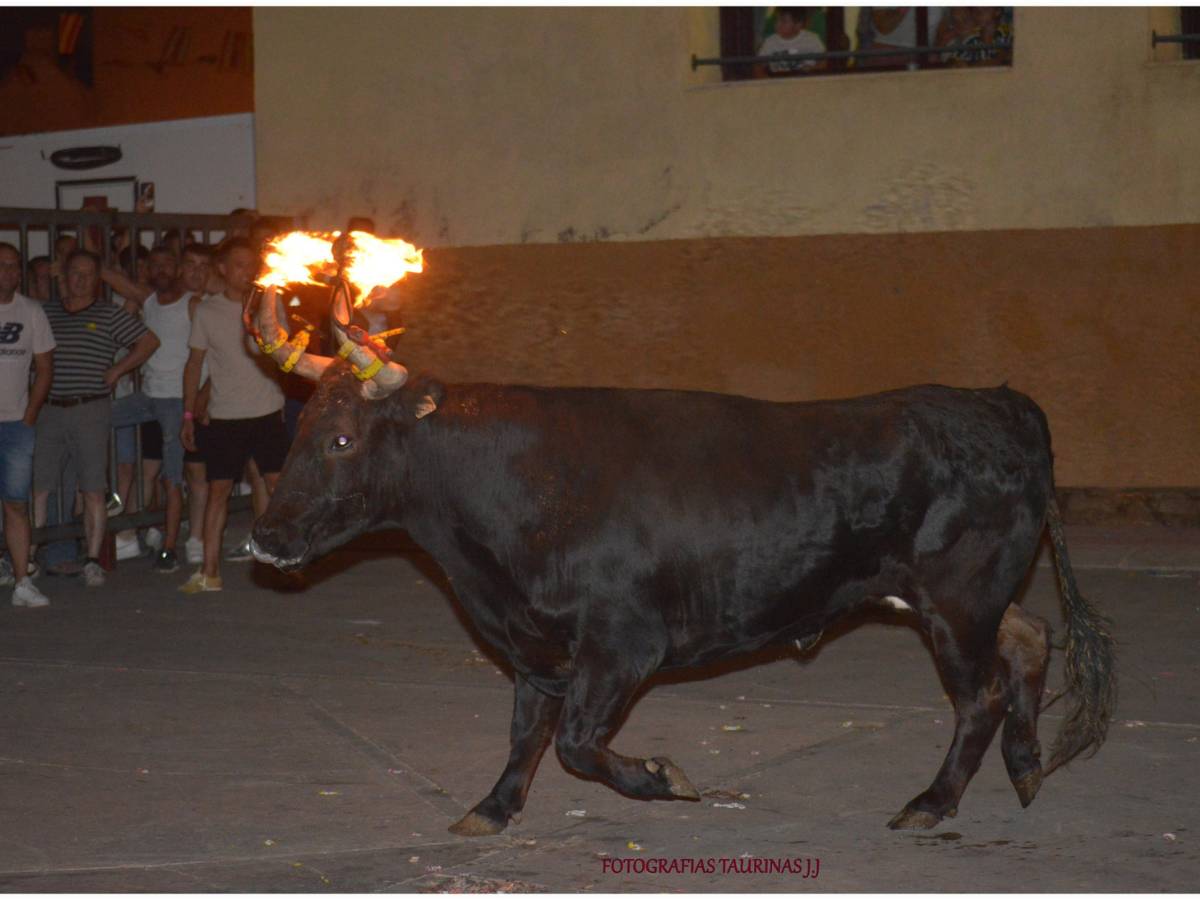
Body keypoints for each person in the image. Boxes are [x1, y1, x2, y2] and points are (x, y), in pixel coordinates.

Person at [31, 249, 160, 588]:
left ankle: (91, 558)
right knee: (40, 486)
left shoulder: (108, 314)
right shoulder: (46, 312)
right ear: (65, 276)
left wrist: (117, 370)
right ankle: (27, 555)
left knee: (91, 487)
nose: (82, 280)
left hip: (90, 407)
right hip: (49, 408)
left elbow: (148, 341)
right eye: (76, 273)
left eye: (90, 274)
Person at [180, 238, 287, 593]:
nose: (248, 271)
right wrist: (188, 414)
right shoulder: (207, 312)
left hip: (266, 409)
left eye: (252, 264)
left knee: (276, 486)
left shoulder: (269, 304)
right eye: (239, 264)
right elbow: (195, 363)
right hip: (226, 416)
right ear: (223, 269)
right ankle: (209, 572)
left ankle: (283, 563)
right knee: (218, 490)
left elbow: (281, 353)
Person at [108, 246, 200, 572]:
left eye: (167, 264)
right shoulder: (148, 300)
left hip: (176, 401)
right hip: (147, 396)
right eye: (155, 264)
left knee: (171, 478)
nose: (161, 269)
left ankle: (170, 548)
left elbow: (204, 355)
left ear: (177, 268)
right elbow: (117, 281)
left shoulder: (192, 303)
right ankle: (108, 502)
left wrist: (195, 404)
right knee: (97, 418)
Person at [0, 243, 55, 608]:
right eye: (3, 265)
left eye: (14, 266)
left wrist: (30, 414)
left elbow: (45, 368)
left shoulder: (31, 310)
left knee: (16, 504)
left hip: (15, 424)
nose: (10, 272)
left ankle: (22, 580)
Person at [755, 7, 826, 77]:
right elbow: (759, 66)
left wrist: (813, 69)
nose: (777, 24)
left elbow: (824, 61)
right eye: (776, 20)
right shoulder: (770, 42)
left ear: (798, 25)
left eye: (783, 21)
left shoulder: (812, 39)